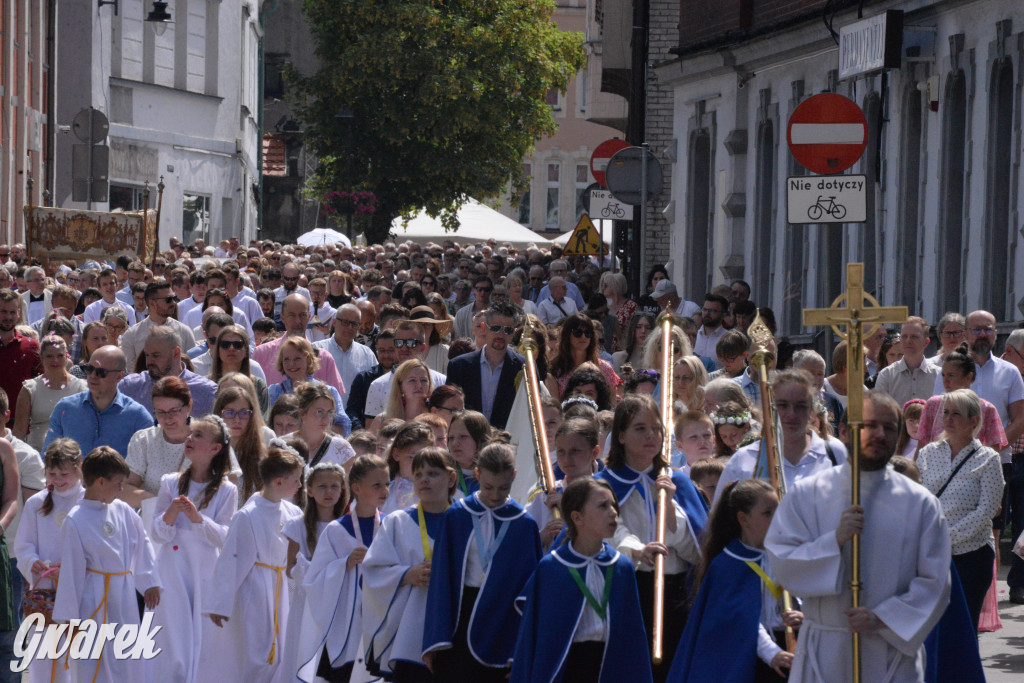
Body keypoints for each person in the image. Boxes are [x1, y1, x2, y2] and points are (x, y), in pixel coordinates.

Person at [764, 391, 952, 683]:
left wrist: (883, 618)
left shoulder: (921, 503)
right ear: (845, 430)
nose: (879, 434)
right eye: (869, 425)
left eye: (889, 427)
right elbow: (782, 561)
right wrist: (834, 541)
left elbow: (936, 581)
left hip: (890, 651)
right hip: (825, 651)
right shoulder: (808, 493)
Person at [595, 395, 707, 681]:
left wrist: (669, 507)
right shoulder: (605, 485)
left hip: (675, 592)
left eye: (656, 428)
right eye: (640, 428)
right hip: (628, 588)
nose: (651, 436)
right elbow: (606, 532)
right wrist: (636, 550)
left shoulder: (677, 481)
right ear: (620, 436)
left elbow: (699, 551)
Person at [511, 477, 651, 683]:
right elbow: (535, 638)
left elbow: (633, 636)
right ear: (577, 517)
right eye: (603, 506)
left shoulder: (621, 566)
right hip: (568, 667)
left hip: (610, 665)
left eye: (613, 504)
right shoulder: (552, 568)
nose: (613, 511)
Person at [422, 443, 542, 681]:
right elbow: (441, 581)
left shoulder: (523, 524)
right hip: (459, 615)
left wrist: (520, 646)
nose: (496, 495)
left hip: (501, 619)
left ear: (514, 477)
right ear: (477, 474)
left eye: (504, 488)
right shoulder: (457, 515)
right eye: (488, 487)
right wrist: (434, 636)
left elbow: (530, 590)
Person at [669, 479, 801, 682]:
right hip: (748, 659)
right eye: (767, 513)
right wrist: (771, 652)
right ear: (743, 518)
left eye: (778, 511)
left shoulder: (787, 554)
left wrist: (804, 615)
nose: (777, 519)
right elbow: (740, 621)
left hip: (791, 650)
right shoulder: (728, 564)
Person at [51, 446, 161, 683]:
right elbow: (71, 572)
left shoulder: (122, 510)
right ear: (100, 482)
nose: (122, 490)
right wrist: (69, 619)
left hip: (124, 598)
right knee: (96, 661)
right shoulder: (76, 519)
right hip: (93, 600)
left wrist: (150, 581)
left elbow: (142, 542)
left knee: (127, 659)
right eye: (119, 484)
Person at [204, 445, 304, 682]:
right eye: (297, 480)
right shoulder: (248, 515)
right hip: (256, 591)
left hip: (283, 588)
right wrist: (220, 603)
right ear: (278, 482)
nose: (301, 486)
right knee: (257, 652)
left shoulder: (293, 512)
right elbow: (231, 561)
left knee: (282, 651)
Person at [149, 415, 238, 683]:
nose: (190, 439)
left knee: (203, 638)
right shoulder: (170, 482)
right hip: (172, 570)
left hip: (204, 571)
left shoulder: (227, 490)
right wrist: (171, 513)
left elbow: (224, 537)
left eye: (199, 435)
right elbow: (157, 533)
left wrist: (199, 519)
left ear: (215, 449)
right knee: (171, 637)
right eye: (191, 433)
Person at [361, 447, 458, 681]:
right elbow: (372, 571)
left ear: (451, 478)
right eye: (418, 474)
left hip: (452, 629)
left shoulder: (463, 520)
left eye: (433, 473)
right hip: (408, 631)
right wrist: (406, 575)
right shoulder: (397, 522)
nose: (424, 479)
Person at [917, 389, 1003, 630]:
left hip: (971, 555)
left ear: (973, 421)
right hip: (931, 553)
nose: (948, 419)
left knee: (963, 629)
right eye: (946, 413)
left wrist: (946, 536)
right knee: (931, 629)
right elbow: (917, 499)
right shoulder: (927, 454)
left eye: (956, 414)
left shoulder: (988, 459)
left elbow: (986, 510)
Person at [298, 455, 389, 682]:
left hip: (380, 619)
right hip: (347, 624)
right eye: (376, 485)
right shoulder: (336, 530)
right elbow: (314, 580)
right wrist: (344, 565)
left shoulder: (392, 525)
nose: (384, 490)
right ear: (356, 488)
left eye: (387, 483)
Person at [12, 438, 83, 683]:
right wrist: (33, 563)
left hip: (80, 593)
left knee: (78, 657)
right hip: (44, 596)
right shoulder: (36, 503)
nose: (58, 479)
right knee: (44, 658)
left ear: (79, 468)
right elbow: (23, 545)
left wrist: (71, 570)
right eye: (52, 473)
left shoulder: (88, 502)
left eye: (64, 473)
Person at [718, 370, 847, 499]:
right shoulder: (743, 460)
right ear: (770, 408)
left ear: (811, 411)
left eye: (800, 405)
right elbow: (721, 514)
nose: (791, 414)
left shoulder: (834, 453)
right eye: (783, 405)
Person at [283, 462, 348, 679]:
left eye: (334, 486)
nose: (328, 492)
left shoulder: (347, 525)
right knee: (303, 650)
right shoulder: (297, 525)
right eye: (322, 486)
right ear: (309, 489)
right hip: (307, 602)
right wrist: (307, 570)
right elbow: (290, 567)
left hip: (337, 603)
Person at [44, 345, 152, 456]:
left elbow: (148, 463)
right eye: (89, 369)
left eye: (101, 372)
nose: (92, 376)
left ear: (119, 376)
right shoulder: (64, 408)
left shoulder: (138, 417)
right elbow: (49, 457)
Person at [445, 302, 525, 429]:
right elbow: (450, 408)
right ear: (484, 328)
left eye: (507, 330)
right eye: (495, 328)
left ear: (514, 334)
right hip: (468, 438)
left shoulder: (524, 368)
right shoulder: (459, 366)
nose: (500, 334)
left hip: (507, 441)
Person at [917, 343, 1008, 454]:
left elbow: (994, 454)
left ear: (968, 377)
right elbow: (921, 448)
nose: (945, 381)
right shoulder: (933, 405)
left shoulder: (987, 409)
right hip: (936, 469)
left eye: (951, 375)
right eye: (943, 375)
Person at [118, 325, 218, 419]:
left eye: (156, 355)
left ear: (176, 353)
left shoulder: (206, 392)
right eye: (147, 355)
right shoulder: (130, 387)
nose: (149, 362)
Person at [252, 293, 347, 392]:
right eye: (291, 315)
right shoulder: (262, 354)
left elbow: (335, 401)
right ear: (282, 318)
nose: (298, 321)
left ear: (309, 316)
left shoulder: (324, 358)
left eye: (302, 315)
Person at [13, 335, 86, 453]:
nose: (55, 360)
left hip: (72, 457)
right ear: (41, 357)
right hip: (37, 456)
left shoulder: (81, 387)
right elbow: (19, 432)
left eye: (60, 356)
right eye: (49, 356)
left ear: (67, 356)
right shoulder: (30, 388)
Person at [269, 336, 350, 433]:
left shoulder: (328, 392)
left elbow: (342, 428)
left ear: (308, 359)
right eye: (286, 359)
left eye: (297, 359)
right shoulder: (274, 392)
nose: (291, 364)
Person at [118, 280, 197, 370]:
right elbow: (130, 371)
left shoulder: (184, 331)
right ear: (152, 303)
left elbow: (191, 367)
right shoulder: (132, 335)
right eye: (168, 300)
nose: (173, 303)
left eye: (174, 298)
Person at [314, 304, 377, 409]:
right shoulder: (316, 350)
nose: (350, 328)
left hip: (355, 419)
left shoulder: (367, 354)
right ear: (334, 322)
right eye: (345, 322)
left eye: (354, 324)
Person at [546, 313, 621, 401]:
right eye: (578, 333)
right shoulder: (555, 370)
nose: (583, 337)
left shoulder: (605, 368)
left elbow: (612, 403)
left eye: (587, 333)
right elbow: (555, 407)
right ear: (567, 335)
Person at [290, 382, 357, 471]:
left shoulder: (342, 449)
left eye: (329, 412)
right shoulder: (283, 445)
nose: (326, 419)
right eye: (319, 412)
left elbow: (347, 484)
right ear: (302, 413)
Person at [873, 317, 939, 407]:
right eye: (904, 336)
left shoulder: (938, 375)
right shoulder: (886, 375)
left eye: (914, 337)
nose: (908, 341)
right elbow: (880, 411)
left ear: (926, 342)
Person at [0, 289, 40, 429]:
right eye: (3, 311)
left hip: (22, 425)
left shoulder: (31, 346)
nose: (8, 317)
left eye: (12, 312)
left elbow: (39, 384)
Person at [345, 330, 398, 431]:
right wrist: (362, 433)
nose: (386, 355)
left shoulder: (407, 377)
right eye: (381, 350)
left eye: (391, 350)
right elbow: (352, 411)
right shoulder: (363, 378)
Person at [382, 422, 437, 515]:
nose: (418, 464)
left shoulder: (436, 492)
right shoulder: (384, 490)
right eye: (411, 457)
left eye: (425, 458)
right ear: (396, 454)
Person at [599, 272, 637, 352]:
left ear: (615, 287)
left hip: (622, 352)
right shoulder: (603, 306)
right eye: (602, 285)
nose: (602, 288)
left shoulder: (631, 307)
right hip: (603, 351)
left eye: (605, 286)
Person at [693, 293, 729, 367]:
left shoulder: (728, 338)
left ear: (723, 315)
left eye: (713, 311)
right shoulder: (692, 336)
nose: (707, 313)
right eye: (705, 310)